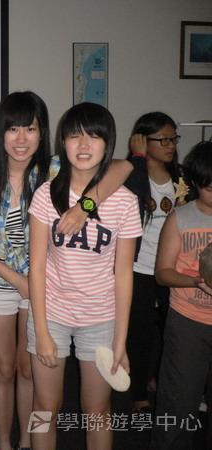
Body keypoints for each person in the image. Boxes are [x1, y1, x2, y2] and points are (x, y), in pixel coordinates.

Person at [0, 92, 132, 450]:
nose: (21, 138)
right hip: (3, 281)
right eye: (13, 129)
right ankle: (4, 442)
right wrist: (17, 280)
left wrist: (84, 206)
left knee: (30, 371)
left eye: (31, 129)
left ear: (43, 134)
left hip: (46, 289)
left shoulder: (54, 171)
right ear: (0, 133)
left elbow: (123, 167)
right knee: (3, 368)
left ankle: (27, 440)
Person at [28, 102, 142, 450]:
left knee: (98, 410)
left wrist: (120, 340)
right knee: (44, 407)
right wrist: (42, 331)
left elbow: (123, 274)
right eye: (74, 136)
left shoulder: (124, 202)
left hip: (101, 317)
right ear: (62, 142)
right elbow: (36, 267)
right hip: (52, 314)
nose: (83, 144)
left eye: (94, 136)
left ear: (108, 144)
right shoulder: (46, 194)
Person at [150, 141, 212, 450]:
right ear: (197, 183)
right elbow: (162, 272)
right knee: (178, 403)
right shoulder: (181, 218)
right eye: (210, 188)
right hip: (188, 322)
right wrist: (196, 281)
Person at [124, 112, 183, 413]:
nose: (171, 145)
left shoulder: (181, 177)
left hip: (172, 268)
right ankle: (139, 393)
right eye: (163, 139)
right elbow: (130, 199)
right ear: (142, 141)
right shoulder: (130, 174)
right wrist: (137, 160)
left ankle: (159, 378)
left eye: (173, 138)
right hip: (139, 268)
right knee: (140, 331)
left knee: (172, 329)